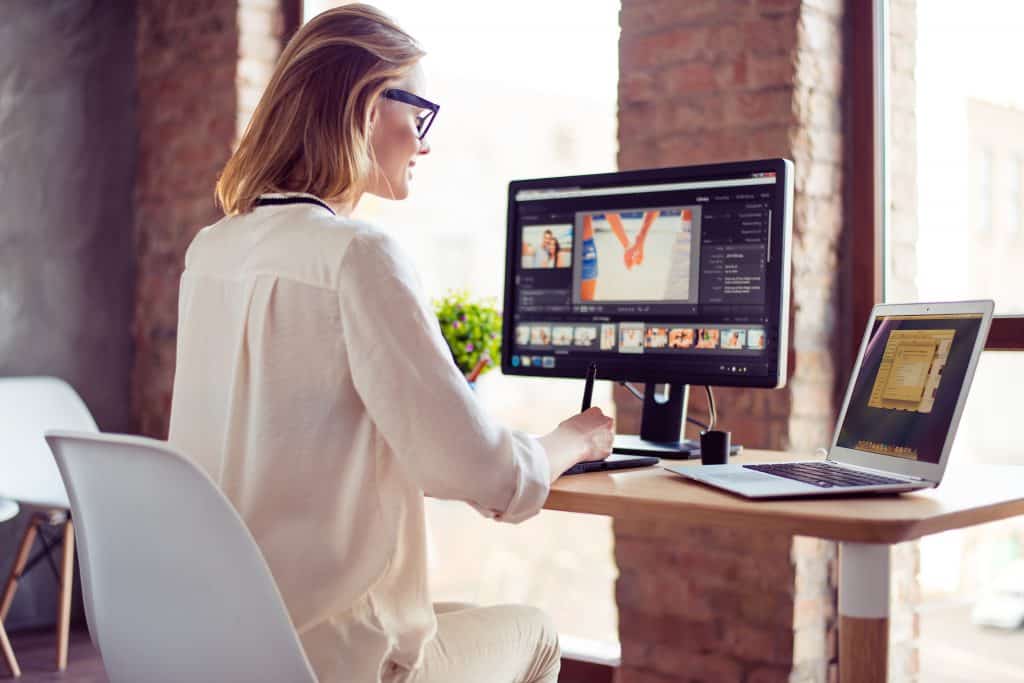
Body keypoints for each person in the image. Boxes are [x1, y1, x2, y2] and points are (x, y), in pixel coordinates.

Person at [167, 5, 614, 683]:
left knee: (450, 615)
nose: (425, 142)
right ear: (372, 106)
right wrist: (576, 438)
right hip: (327, 660)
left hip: (221, 640)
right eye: (421, 114)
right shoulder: (359, 255)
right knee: (539, 633)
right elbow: (493, 477)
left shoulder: (211, 250)